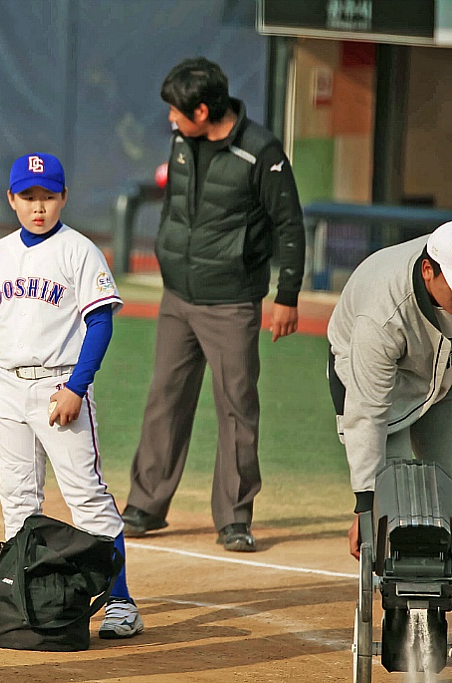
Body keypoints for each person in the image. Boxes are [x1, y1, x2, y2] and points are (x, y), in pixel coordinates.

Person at [120, 57, 306, 552]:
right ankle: (145, 504)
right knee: (165, 399)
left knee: (236, 408)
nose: (170, 119)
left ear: (202, 111)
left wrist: (287, 295)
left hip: (231, 302)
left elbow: (289, 224)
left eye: (177, 111)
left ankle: (234, 518)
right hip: (177, 297)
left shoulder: (261, 152)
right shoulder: (182, 139)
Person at [0, 152, 144, 639]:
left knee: (87, 497)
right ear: (11, 199)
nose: (38, 206)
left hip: (58, 386)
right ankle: (23, 597)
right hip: (7, 390)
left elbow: (100, 323)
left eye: (47, 196)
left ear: (64, 197)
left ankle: (121, 603)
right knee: (17, 499)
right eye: (28, 197)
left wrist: (75, 388)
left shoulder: (79, 251)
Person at [327, 223, 452, 559]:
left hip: (443, 374)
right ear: (428, 271)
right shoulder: (381, 315)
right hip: (380, 381)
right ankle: (401, 581)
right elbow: (367, 414)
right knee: (393, 494)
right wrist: (365, 506)